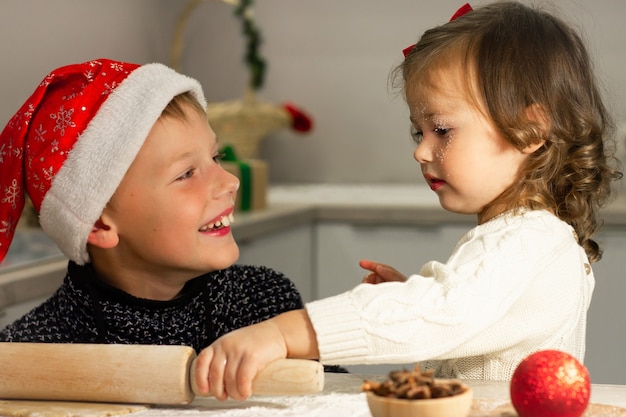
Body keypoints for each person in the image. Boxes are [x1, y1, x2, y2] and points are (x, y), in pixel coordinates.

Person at [193, 1, 623, 400]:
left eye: (442, 129)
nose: (420, 150)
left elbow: (445, 314)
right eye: (420, 132)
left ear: (529, 131)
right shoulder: (528, 237)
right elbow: (464, 322)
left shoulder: (529, 240)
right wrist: (414, 296)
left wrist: (284, 334)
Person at [0, 58, 304, 351]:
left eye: (215, 157)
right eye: (186, 174)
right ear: (98, 223)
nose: (229, 182)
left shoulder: (267, 306)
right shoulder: (28, 352)